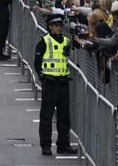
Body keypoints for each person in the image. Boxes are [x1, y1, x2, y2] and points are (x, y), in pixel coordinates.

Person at [34, 13, 72, 156]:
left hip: (63, 82)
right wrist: (43, 78)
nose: (59, 27)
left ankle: (63, 145)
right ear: (50, 27)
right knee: (46, 116)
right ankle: (45, 145)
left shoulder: (66, 41)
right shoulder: (44, 41)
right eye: (56, 25)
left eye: (60, 25)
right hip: (50, 82)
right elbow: (37, 64)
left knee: (64, 116)